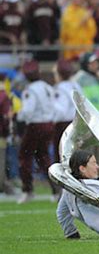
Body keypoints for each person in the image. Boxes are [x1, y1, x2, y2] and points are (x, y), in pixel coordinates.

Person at [16, 60, 57, 203]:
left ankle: (27, 190)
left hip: (35, 125)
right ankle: (55, 188)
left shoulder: (30, 90)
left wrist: (18, 115)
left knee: (24, 156)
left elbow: (27, 111)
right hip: (49, 124)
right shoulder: (47, 87)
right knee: (43, 156)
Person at [52, 59, 81, 163]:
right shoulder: (76, 85)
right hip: (76, 123)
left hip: (63, 125)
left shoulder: (60, 88)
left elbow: (61, 111)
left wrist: (52, 120)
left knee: (61, 155)